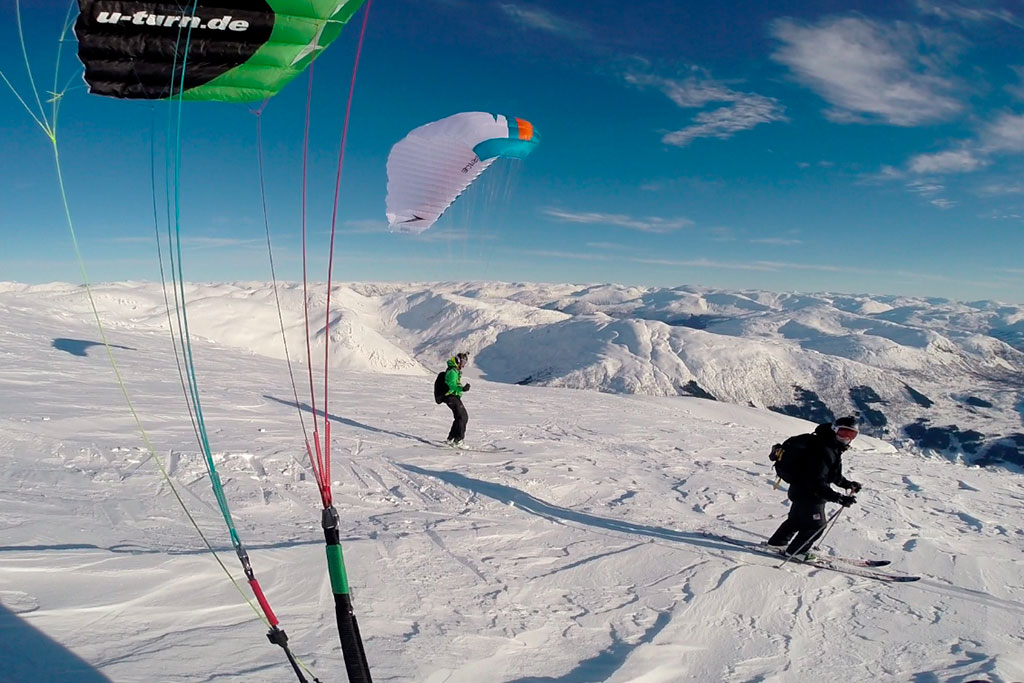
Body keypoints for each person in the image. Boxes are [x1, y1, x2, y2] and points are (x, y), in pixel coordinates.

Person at [766, 416, 862, 560]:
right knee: (816, 526)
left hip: (799, 490)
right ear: (835, 430)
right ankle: (796, 552)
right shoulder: (823, 449)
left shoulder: (831, 446)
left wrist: (847, 484)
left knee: (796, 520)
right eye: (843, 433)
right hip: (809, 494)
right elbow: (816, 481)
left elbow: (832, 474)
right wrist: (838, 498)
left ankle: (777, 543)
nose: (846, 438)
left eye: (851, 434)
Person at [442, 352, 471, 448]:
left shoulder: (455, 371)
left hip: (453, 396)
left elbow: (455, 384)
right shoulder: (452, 372)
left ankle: (451, 438)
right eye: (462, 362)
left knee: (459, 417)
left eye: (464, 363)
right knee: (463, 417)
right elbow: (452, 385)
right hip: (450, 396)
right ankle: (458, 440)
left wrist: (461, 389)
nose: (463, 365)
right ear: (458, 361)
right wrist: (462, 389)